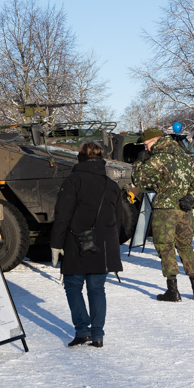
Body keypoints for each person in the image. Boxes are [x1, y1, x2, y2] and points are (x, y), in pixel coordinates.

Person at [50, 142, 123, 348]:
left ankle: (82, 331)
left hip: (76, 241)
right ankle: (98, 335)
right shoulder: (112, 184)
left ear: (80, 157)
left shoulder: (73, 180)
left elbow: (62, 215)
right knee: (97, 289)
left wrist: (56, 243)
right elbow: (118, 220)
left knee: (73, 287)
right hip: (105, 245)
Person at [132, 128, 194, 301]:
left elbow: (138, 179)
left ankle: (173, 291)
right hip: (184, 209)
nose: (146, 148)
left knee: (165, 247)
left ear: (156, 141)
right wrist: (191, 197)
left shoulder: (158, 159)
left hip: (165, 210)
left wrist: (138, 162)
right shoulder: (185, 158)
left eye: (147, 144)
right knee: (185, 246)